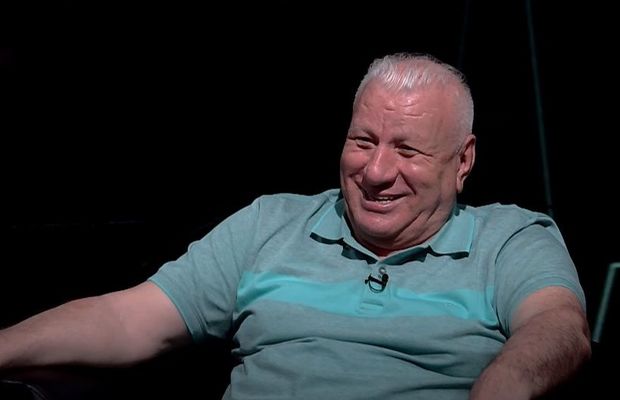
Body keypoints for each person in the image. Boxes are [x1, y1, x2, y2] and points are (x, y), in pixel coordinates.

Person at [0, 52, 591, 400]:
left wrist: (504, 385)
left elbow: (559, 327)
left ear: (463, 161)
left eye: (407, 150)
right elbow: (128, 318)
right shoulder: (271, 223)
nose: (376, 171)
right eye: (363, 141)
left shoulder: (510, 238)